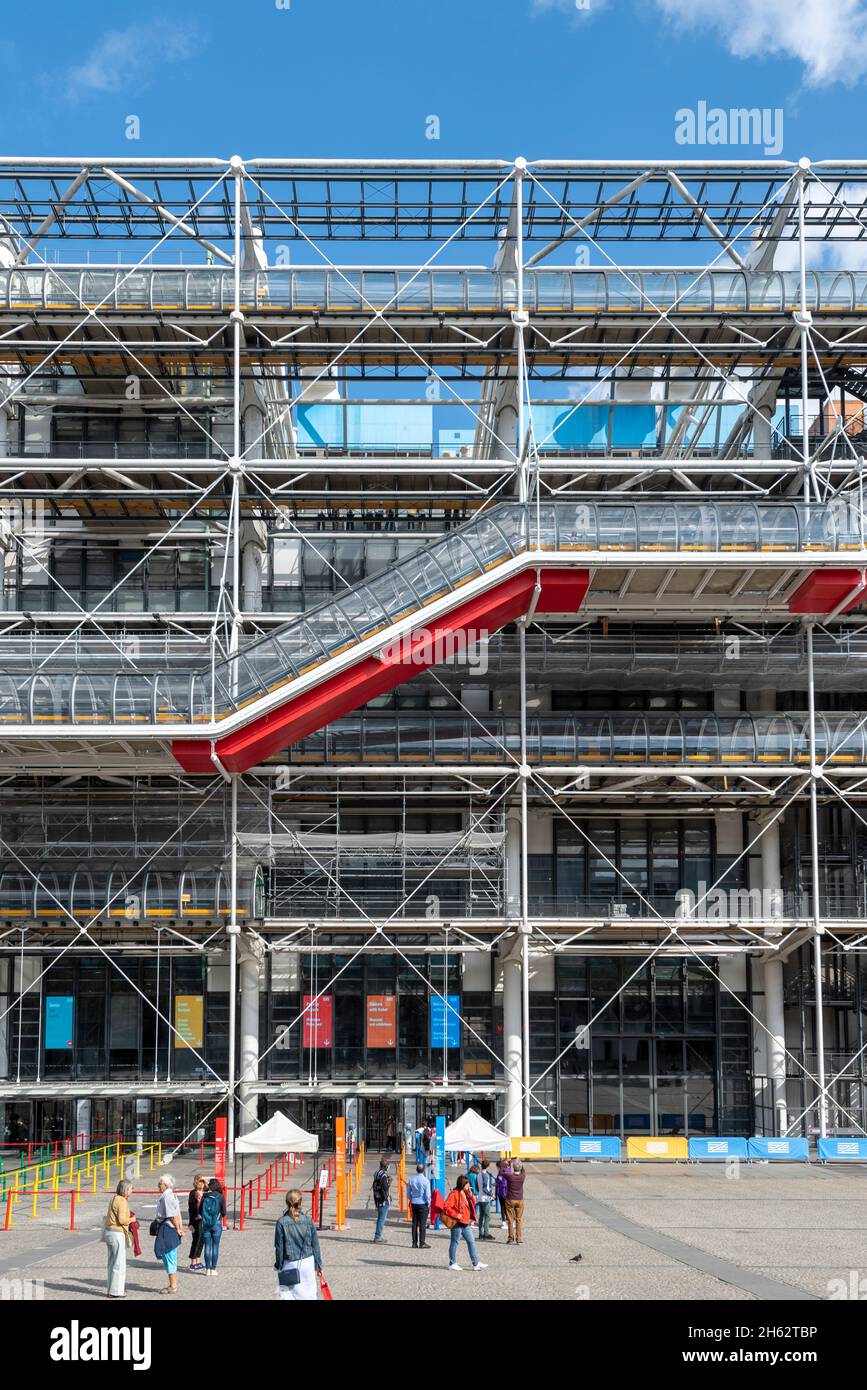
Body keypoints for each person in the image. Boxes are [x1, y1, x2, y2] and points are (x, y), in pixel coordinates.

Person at [274, 1189, 323, 1301]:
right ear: (300, 1202)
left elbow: (279, 1248)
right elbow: (315, 1245)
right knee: (309, 1295)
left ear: (287, 1202)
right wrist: (319, 1264)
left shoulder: (281, 1222)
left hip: (290, 1263)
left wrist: (279, 1265)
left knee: (287, 1295)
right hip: (308, 1262)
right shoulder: (308, 1220)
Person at [443, 1174, 487, 1272]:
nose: (469, 1186)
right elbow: (446, 1207)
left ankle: (475, 1263)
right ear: (463, 1184)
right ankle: (452, 1263)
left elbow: (473, 1202)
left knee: (471, 1241)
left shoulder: (466, 1193)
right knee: (455, 1242)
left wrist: (470, 1194)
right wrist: (455, 1214)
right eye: (467, 1184)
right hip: (457, 1223)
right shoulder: (454, 1193)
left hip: (465, 1222)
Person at [103, 1178, 134, 1298]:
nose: (132, 1190)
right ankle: (116, 1291)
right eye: (131, 1188)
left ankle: (110, 1290)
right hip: (117, 1233)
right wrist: (132, 1219)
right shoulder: (122, 1201)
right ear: (125, 1189)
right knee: (119, 1264)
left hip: (109, 1232)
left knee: (111, 1263)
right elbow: (122, 1220)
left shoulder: (113, 1199)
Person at [154, 1174, 184, 1295]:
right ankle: (173, 1284)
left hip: (168, 1228)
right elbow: (178, 1214)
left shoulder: (167, 1197)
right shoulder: (172, 1195)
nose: (158, 1186)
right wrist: (180, 1228)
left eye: (160, 1184)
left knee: (168, 1255)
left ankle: (173, 1285)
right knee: (169, 1255)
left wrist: (178, 1228)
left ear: (165, 1185)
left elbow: (172, 1215)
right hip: (170, 1227)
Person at [201, 1178, 226, 1277]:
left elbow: (200, 1211)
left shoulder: (204, 1196)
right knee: (215, 1247)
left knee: (207, 1246)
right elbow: (224, 1212)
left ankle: (207, 1269)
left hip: (206, 1224)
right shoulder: (220, 1197)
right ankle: (213, 1269)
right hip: (216, 1224)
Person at [407, 1163, 432, 1250]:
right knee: (422, 1224)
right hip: (422, 1203)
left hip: (414, 1203)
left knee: (414, 1223)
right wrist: (428, 1203)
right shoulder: (426, 1181)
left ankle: (414, 1242)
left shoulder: (411, 1179)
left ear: (416, 1170)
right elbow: (428, 1195)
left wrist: (412, 1199)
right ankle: (422, 1242)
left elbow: (408, 1193)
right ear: (423, 1170)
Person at [187, 1173, 207, 1272]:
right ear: (196, 1182)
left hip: (204, 1219)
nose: (202, 1184)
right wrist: (190, 1223)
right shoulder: (193, 1193)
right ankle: (193, 1262)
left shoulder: (206, 1192)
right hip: (196, 1219)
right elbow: (191, 1208)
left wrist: (206, 1183)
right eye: (200, 1181)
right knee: (196, 1239)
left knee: (202, 1239)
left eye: (203, 1182)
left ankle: (198, 1260)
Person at [505, 1157, 526, 1245]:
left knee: (510, 1220)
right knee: (519, 1220)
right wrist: (518, 1162)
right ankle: (519, 1238)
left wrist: (509, 1164)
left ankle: (510, 1238)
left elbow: (504, 1172)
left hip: (510, 1199)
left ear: (514, 1167)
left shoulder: (510, 1176)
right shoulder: (522, 1176)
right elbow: (523, 1169)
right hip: (520, 1199)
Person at [372, 1159, 390, 1242]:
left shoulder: (376, 1173)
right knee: (381, 1219)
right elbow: (386, 1187)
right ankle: (378, 1236)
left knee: (380, 1217)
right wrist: (389, 1182)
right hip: (383, 1200)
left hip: (377, 1198)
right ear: (386, 1166)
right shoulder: (383, 1176)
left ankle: (378, 1235)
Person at [477, 1159, 494, 1241]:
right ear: (488, 1166)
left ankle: (480, 1233)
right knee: (487, 1216)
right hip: (484, 1198)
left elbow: (479, 1187)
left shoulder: (479, 1174)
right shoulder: (485, 1175)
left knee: (481, 1216)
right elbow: (484, 1188)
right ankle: (486, 1233)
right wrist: (491, 1195)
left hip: (479, 1197)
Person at [495, 1158, 512, 1231]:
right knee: (504, 1207)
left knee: (505, 1208)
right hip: (502, 1192)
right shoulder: (505, 1171)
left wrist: (497, 1184)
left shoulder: (503, 1172)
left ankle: (507, 1222)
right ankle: (505, 1222)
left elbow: (504, 1183)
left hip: (504, 1192)